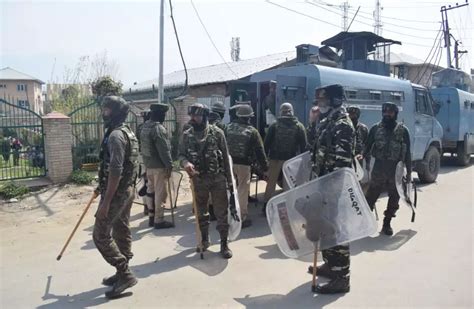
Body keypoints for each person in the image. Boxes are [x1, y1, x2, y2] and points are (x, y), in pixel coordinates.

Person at [307, 84, 355, 294]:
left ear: (335, 101)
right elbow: (313, 146)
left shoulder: (343, 124)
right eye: (318, 101)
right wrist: (312, 122)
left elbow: (341, 165)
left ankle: (342, 276)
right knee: (325, 229)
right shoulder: (327, 121)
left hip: (333, 188)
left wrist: (329, 192)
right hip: (323, 185)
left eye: (323, 101)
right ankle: (330, 264)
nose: (320, 105)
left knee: (337, 232)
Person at [93, 96, 139, 299]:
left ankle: (125, 273)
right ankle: (122, 271)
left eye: (107, 109)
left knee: (100, 234)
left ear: (115, 112)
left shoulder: (115, 136)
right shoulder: (127, 132)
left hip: (118, 193)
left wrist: (106, 202)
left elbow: (116, 170)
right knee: (121, 228)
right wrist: (99, 187)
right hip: (126, 189)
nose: (104, 112)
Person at [179, 103, 235, 259]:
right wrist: (185, 163)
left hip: (217, 179)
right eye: (192, 116)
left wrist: (230, 182)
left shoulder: (217, 133)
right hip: (198, 179)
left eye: (196, 116)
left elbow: (225, 157)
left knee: (221, 213)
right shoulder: (186, 135)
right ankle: (204, 240)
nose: (193, 119)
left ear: (204, 116)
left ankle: (224, 244)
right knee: (201, 212)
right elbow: (181, 155)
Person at [363, 102, 412, 236]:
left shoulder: (403, 131)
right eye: (385, 112)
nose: (387, 114)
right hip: (379, 168)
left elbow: (408, 154)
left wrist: (409, 173)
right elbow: (366, 147)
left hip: (395, 170)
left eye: (390, 112)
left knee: (394, 199)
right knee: (370, 198)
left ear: (395, 114)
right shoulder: (375, 129)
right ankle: (366, 223)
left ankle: (387, 223)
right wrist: (361, 156)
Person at [225, 104, 268, 228]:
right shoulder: (252, 131)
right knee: (242, 190)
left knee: (230, 189)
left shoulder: (228, 128)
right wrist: (265, 168)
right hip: (243, 165)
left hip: (228, 163)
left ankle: (228, 215)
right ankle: (242, 217)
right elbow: (260, 151)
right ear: (249, 117)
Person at [263, 102, 307, 213]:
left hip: (275, 158)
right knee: (288, 183)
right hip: (291, 160)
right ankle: (288, 206)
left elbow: (266, 143)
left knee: (271, 183)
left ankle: (266, 206)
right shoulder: (299, 126)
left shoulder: (274, 125)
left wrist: (265, 159)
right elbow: (304, 145)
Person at [140, 103, 174, 229]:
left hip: (148, 165)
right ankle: (159, 220)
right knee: (160, 193)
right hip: (159, 167)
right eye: (164, 114)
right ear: (160, 114)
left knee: (150, 190)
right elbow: (164, 150)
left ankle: (151, 216)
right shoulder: (158, 129)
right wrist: (169, 165)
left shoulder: (144, 127)